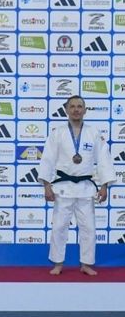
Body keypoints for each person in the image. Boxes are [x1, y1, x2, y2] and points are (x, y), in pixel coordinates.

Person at [37, 95, 116, 276]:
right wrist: (46, 185)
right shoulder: (57, 133)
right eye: (72, 106)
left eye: (79, 106)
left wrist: (104, 185)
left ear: (85, 110)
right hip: (63, 187)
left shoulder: (93, 133)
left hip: (85, 188)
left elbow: (104, 160)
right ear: (66, 110)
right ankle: (58, 263)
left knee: (88, 228)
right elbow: (47, 159)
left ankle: (86, 264)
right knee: (59, 227)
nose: (76, 110)